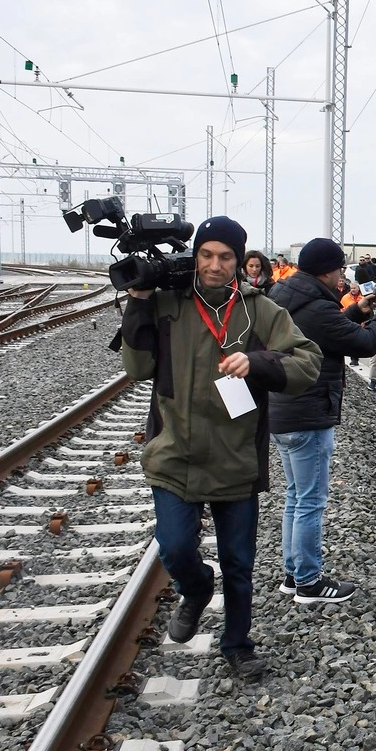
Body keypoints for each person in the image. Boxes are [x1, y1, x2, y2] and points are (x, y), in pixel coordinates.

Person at [119, 216, 321, 680]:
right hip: (174, 453)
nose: (214, 265)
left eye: (225, 256)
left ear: (239, 261)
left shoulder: (259, 309)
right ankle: (195, 589)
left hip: (235, 457)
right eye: (206, 254)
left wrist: (258, 360)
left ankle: (238, 645)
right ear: (196, 256)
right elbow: (137, 369)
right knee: (173, 546)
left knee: (238, 564)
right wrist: (137, 303)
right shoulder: (170, 301)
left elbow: (307, 361)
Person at [269, 238, 376, 604]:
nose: (343, 274)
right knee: (311, 500)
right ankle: (310, 583)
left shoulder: (289, 296)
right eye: (340, 268)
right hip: (308, 413)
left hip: (284, 411)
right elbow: (361, 344)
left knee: (296, 497)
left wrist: (361, 309)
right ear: (326, 271)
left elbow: (329, 331)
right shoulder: (315, 306)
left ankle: (292, 573)